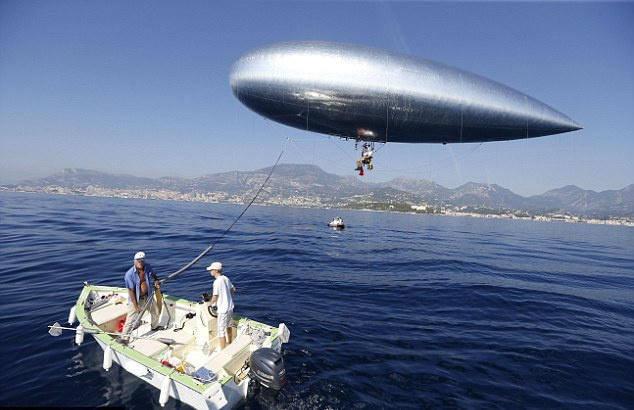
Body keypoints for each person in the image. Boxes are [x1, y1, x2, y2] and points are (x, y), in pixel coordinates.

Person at [121, 251, 162, 341]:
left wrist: (156, 280)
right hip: (136, 299)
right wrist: (136, 306)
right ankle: (124, 338)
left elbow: (153, 273)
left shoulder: (147, 267)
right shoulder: (129, 274)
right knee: (130, 320)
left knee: (155, 312)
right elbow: (131, 291)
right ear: (134, 261)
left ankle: (154, 327)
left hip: (148, 296)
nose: (140, 262)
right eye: (138, 261)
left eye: (142, 260)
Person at [207, 261, 236, 350]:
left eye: (211, 270)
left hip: (223, 310)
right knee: (229, 326)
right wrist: (228, 297)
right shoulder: (226, 278)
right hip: (230, 308)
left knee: (221, 332)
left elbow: (215, 296)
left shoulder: (216, 282)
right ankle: (230, 343)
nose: (210, 271)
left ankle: (223, 351)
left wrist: (209, 303)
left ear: (216, 270)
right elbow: (233, 290)